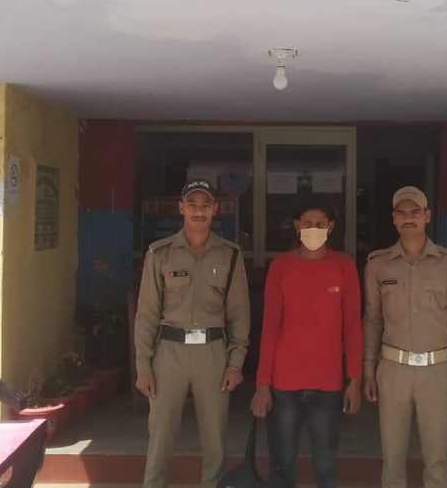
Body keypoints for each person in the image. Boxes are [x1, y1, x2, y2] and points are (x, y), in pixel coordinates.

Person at [134, 180, 250, 488]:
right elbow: (146, 315)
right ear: (181, 208)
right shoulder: (160, 253)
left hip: (212, 353)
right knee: (160, 434)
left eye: (205, 205)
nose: (199, 211)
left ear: (215, 209)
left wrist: (235, 363)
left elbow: (239, 314)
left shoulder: (230, 255)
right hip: (169, 352)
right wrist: (143, 367)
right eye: (192, 204)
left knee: (215, 436)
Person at [362, 186, 447, 488]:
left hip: (437, 372)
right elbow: (372, 320)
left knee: (436, 459)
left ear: (427, 216)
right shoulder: (378, 264)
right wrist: (368, 371)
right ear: (393, 219)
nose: (408, 218)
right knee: (392, 459)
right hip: (393, 370)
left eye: (415, 212)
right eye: (401, 213)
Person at [251, 201, 363, 488]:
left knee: (325, 466)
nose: (314, 229)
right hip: (284, 383)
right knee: (282, 466)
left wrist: (355, 380)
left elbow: (352, 328)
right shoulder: (281, 267)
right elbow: (270, 328)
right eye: (308, 223)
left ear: (331, 227)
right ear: (297, 226)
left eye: (321, 224)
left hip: (328, 383)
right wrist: (263, 384)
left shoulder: (344, 267)